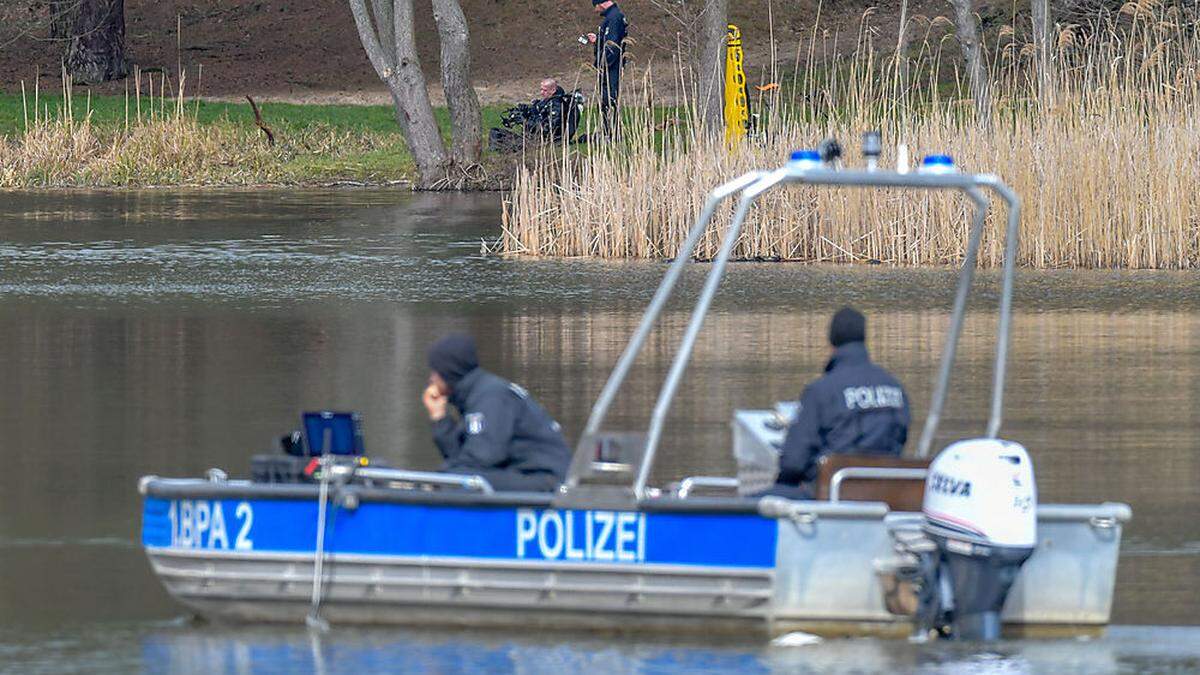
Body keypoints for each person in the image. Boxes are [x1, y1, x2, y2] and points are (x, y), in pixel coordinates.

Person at [767, 307, 911, 498]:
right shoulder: (895, 388)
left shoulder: (821, 390)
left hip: (832, 494)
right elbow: (900, 440)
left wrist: (782, 486)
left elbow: (793, 462)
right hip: (884, 495)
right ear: (863, 338)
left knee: (755, 503)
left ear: (832, 340)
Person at [423, 333, 572, 492]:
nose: (431, 379)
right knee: (453, 476)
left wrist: (441, 477)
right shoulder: (477, 394)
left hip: (545, 478)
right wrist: (439, 417)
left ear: (449, 371)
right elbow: (460, 457)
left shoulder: (491, 396)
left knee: (454, 479)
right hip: (523, 473)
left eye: (435, 372)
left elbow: (483, 457)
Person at [587, 0, 626, 137]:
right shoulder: (613, 17)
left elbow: (613, 45)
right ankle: (608, 130)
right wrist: (598, 39)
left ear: (600, 4)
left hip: (611, 68)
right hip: (610, 66)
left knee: (608, 99)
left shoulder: (614, 18)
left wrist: (603, 64)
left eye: (595, 7)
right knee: (605, 100)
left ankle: (612, 133)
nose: (596, 10)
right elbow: (609, 40)